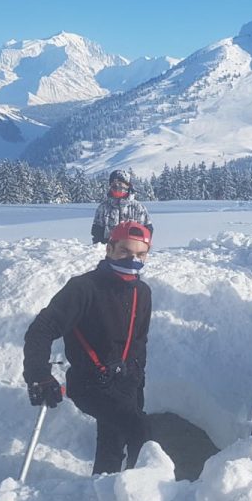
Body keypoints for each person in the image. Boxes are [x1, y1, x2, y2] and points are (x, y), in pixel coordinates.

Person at [23, 221, 153, 474]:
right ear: (110, 249)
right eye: (125, 251)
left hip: (126, 382)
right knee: (141, 432)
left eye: (140, 254)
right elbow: (41, 330)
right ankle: (145, 494)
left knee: (113, 442)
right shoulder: (84, 288)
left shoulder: (142, 292)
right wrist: (38, 376)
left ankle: (105, 491)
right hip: (90, 384)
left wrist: (137, 378)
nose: (132, 259)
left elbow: (140, 341)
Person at [92, 170, 153, 244]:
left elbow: (147, 230)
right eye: (114, 184)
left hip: (132, 248)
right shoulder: (103, 207)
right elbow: (97, 232)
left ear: (128, 186)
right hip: (110, 250)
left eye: (120, 184)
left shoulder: (138, 208)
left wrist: (141, 247)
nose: (117, 187)